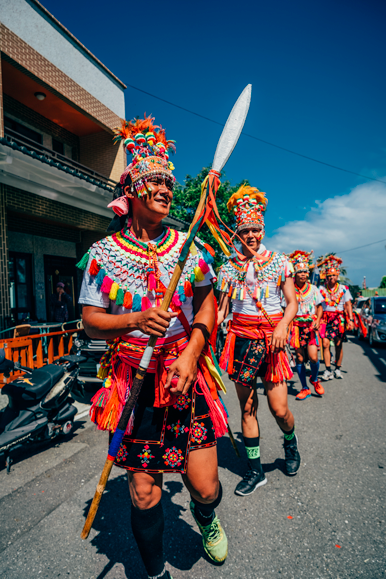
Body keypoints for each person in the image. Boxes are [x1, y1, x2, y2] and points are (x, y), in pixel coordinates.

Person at [77, 116, 228, 579]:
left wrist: (189, 352)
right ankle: (154, 571)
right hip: (134, 380)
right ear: (132, 189)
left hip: (186, 374)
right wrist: (136, 319)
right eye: (155, 181)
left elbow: (208, 311)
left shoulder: (190, 247)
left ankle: (206, 517)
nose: (165, 188)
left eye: (168, 181)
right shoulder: (102, 255)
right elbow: (90, 323)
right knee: (144, 493)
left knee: (203, 486)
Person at [217, 185, 300, 497]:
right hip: (240, 339)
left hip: (272, 340)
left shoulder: (280, 262)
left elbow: (291, 302)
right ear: (237, 233)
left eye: (255, 229)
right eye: (244, 230)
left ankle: (290, 446)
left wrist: (282, 327)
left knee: (279, 410)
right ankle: (255, 471)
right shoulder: (228, 267)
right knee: (247, 408)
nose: (250, 235)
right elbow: (222, 308)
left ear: (262, 229)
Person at [285, 250, 324, 400]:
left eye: (305, 272)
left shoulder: (314, 289)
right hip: (296, 328)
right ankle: (305, 387)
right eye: (300, 272)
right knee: (300, 359)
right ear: (295, 273)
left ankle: (314, 379)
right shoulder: (289, 290)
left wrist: (317, 320)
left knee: (314, 357)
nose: (303, 274)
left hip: (310, 327)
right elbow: (285, 308)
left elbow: (319, 307)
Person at [318, 256, 354, 380]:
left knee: (339, 344)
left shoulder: (344, 289)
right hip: (326, 319)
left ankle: (337, 369)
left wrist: (351, 319)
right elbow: (319, 306)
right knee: (325, 344)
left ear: (337, 276)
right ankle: (327, 370)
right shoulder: (321, 289)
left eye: (333, 275)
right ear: (326, 277)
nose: (331, 278)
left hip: (339, 319)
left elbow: (348, 304)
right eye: (329, 276)